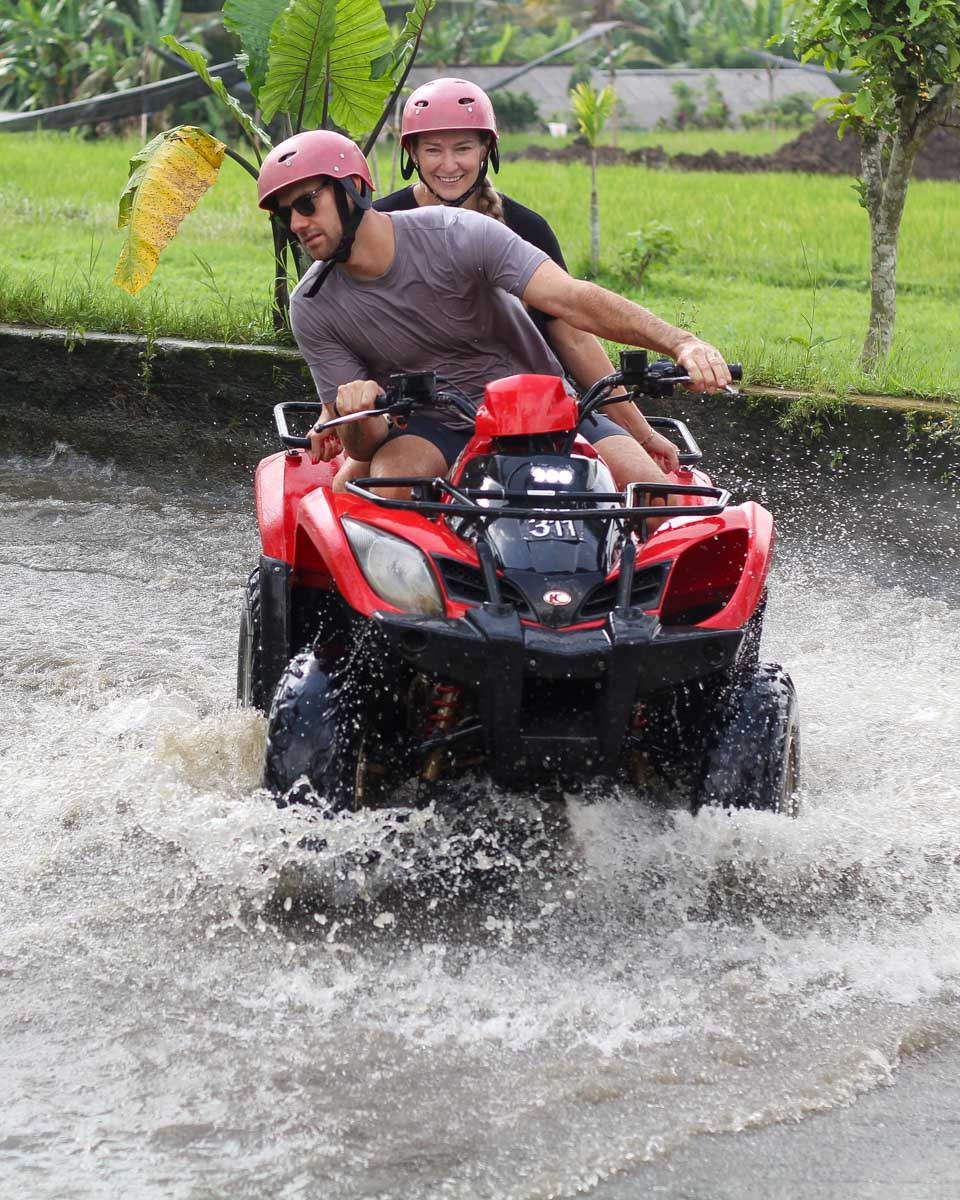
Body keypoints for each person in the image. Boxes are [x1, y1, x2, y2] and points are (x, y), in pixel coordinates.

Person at [256, 130, 732, 499]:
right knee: (386, 487)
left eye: (307, 203)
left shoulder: (458, 232)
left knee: (655, 497)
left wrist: (681, 342)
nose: (297, 224)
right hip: (430, 423)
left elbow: (572, 299)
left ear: (353, 190)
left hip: (545, 409)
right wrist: (357, 412)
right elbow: (363, 445)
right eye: (285, 214)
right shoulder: (312, 305)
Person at [373, 76, 680, 475]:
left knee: (648, 485)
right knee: (385, 487)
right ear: (411, 153)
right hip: (432, 415)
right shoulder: (381, 226)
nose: (449, 165)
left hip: (543, 409)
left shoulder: (526, 227)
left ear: (486, 150)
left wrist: (641, 432)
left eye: (463, 148)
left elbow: (573, 338)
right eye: (433, 150)